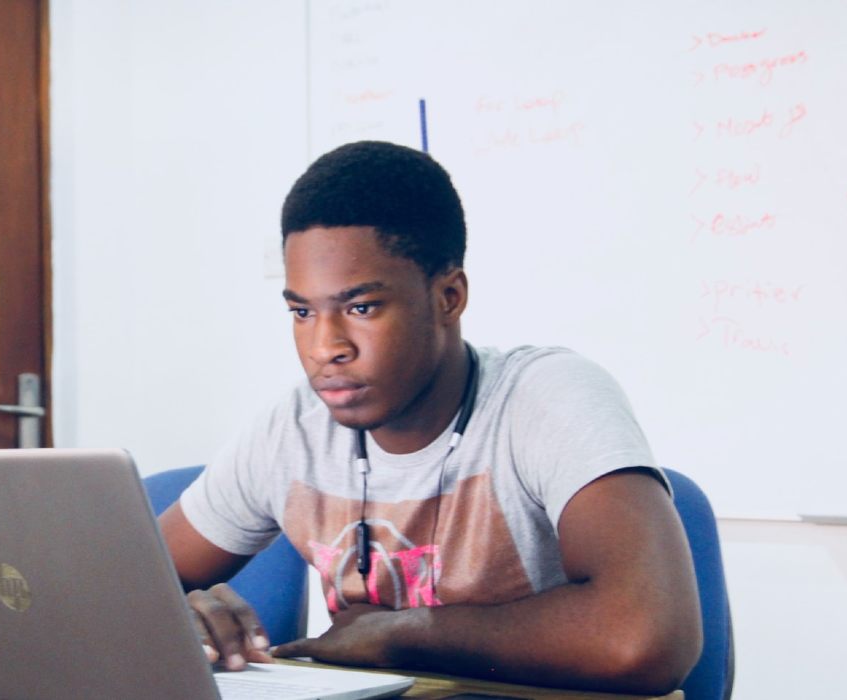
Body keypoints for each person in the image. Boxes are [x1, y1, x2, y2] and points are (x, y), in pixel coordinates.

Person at [157, 140, 702, 695]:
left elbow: (644, 639)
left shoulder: (546, 397)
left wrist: (403, 633)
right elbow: (113, 589)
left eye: (361, 308)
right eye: (302, 312)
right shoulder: (293, 428)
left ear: (448, 296)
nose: (325, 347)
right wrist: (182, 612)